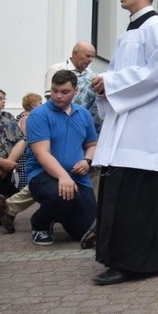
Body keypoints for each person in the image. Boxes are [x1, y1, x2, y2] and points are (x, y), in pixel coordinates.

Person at [89, 0, 158, 286]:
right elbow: (124, 75)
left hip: (142, 132)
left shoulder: (157, 27)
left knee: (132, 199)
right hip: (125, 127)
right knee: (134, 197)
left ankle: (132, 262)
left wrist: (112, 82)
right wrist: (104, 86)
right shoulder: (128, 32)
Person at [26, 70, 98, 246]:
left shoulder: (83, 114)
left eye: (64, 92)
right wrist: (63, 176)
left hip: (78, 177)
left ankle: (57, 213)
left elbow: (92, 145)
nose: (58, 96)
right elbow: (42, 153)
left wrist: (87, 161)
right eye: (54, 90)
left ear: (76, 91)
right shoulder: (39, 115)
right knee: (62, 195)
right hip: (42, 175)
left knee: (86, 231)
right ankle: (39, 223)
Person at [0, 84, 25, 199]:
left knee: (6, 208)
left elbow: (21, 141)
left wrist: (8, 162)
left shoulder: (6, 116)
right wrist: (2, 163)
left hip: (7, 172)